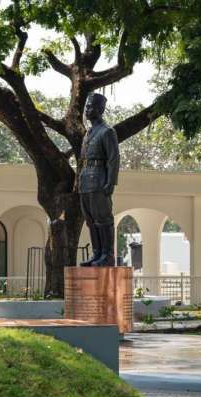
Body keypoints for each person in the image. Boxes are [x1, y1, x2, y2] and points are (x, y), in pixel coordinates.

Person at [76, 93, 120, 267]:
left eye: (91, 107)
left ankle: (107, 255)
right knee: (91, 220)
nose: (87, 110)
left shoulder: (107, 131)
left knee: (103, 219)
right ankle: (97, 253)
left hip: (99, 179)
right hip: (85, 181)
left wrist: (110, 183)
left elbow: (113, 159)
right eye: (86, 106)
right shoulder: (88, 133)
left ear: (101, 110)